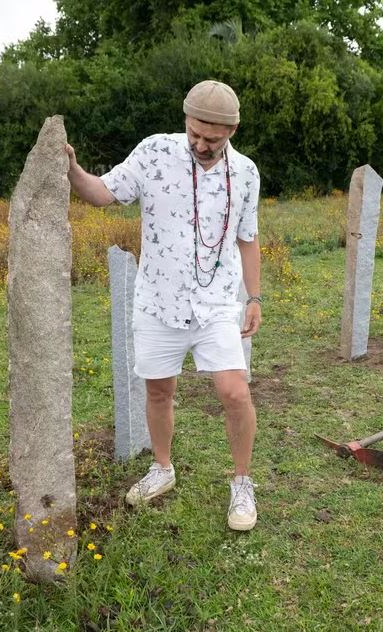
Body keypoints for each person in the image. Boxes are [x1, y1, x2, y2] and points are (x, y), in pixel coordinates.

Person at [64, 80, 262, 531]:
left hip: (216, 302)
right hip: (157, 300)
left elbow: (248, 239)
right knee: (159, 391)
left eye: (212, 138)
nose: (200, 144)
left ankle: (242, 483)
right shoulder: (154, 153)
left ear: (231, 131)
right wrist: (74, 171)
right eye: (194, 133)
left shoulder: (246, 173)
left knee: (235, 392)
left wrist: (253, 297)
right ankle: (162, 468)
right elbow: (103, 193)